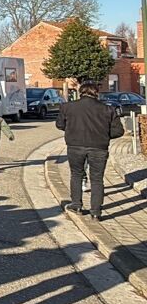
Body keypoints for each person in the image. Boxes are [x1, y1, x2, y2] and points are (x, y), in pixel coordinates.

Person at [57, 81, 124, 221]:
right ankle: (96, 212)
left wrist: (72, 130)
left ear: (80, 92)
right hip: (99, 147)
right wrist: (104, 135)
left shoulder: (67, 107)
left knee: (76, 174)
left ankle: (76, 205)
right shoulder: (108, 109)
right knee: (97, 179)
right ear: (96, 93)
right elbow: (119, 131)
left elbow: (60, 125)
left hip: (75, 146)